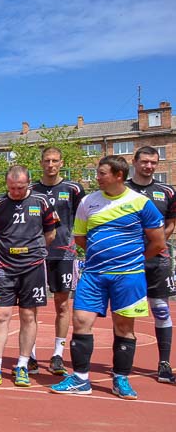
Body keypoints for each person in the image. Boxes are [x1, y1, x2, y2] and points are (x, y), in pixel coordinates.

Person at [51, 155, 166, 399]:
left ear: (118, 176)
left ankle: (121, 379)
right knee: (81, 320)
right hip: (93, 274)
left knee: (124, 327)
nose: (97, 178)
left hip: (129, 277)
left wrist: (132, 260)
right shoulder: (87, 202)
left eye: (102, 173)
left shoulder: (141, 203)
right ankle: (81, 379)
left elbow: (158, 242)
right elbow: (80, 237)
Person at [0, 165, 58, 388]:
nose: (16, 191)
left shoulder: (41, 202)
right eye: (12, 188)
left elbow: (50, 231)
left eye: (21, 187)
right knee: (1, 315)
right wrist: (7, 248)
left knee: (28, 316)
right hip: (5, 266)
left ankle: (23, 366)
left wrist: (37, 250)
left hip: (32, 266)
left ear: (29, 183)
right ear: (7, 184)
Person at [30, 147, 85, 375]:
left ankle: (57, 355)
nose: (50, 164)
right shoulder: (31, 189)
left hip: (64, 253)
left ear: (61, 163)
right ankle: (30, 355)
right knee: (30, 307)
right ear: (41, 163)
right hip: (35, 255)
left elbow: (85, 217)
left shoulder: (73, 188)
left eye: (54, 161)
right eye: (47, 161)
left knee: (62, 306)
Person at [125, 146, 176, 383]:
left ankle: (164, 364)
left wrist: (156, 245)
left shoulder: (166, 191)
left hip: (157, 260)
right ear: (134, 162)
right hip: (128, 261)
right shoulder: (122, 189)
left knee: (161, 309)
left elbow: (170, 223)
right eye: (144, 161)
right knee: (126, 313)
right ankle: (123, 365)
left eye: (153, 163)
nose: (149, 166)